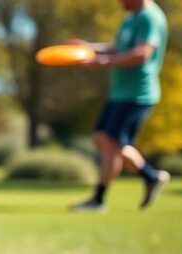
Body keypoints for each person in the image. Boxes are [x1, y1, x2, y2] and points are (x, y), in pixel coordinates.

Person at [69, 0, 170, 213]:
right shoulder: (131, 17)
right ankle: (151, 176)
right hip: (119, 93)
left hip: (138, 94)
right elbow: (116, 48)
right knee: (101, 138)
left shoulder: (149, 17)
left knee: (110, 142)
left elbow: (142, 54)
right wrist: (89, 48)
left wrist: (103, 62)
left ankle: (98, 200)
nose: (119, 2)